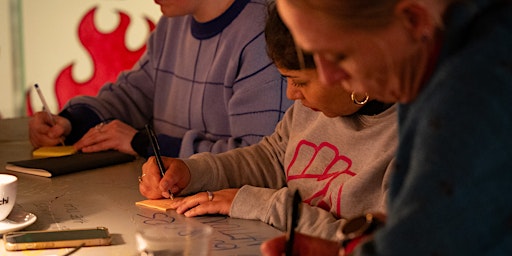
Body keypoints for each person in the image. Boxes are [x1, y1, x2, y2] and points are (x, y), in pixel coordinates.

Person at [260, 0, 512, 255]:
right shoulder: (428, 56)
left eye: (340, 56)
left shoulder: (470, 94)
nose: (328, 77)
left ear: (412, 20)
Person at [138, 3, 397, 241]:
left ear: (352, 66)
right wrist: (194, 173)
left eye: (300, 82)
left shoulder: (414, 139)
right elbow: (272, 157)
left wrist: (260, 203)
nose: (291, 95)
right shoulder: (313, 108)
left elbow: (373, 244)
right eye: (286, 79)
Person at [28, 0, 292, 158]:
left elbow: (258, 158)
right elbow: (135, 94)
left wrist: (144, 144)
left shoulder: (264, 30)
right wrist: (70, 123)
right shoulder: (174, 21)